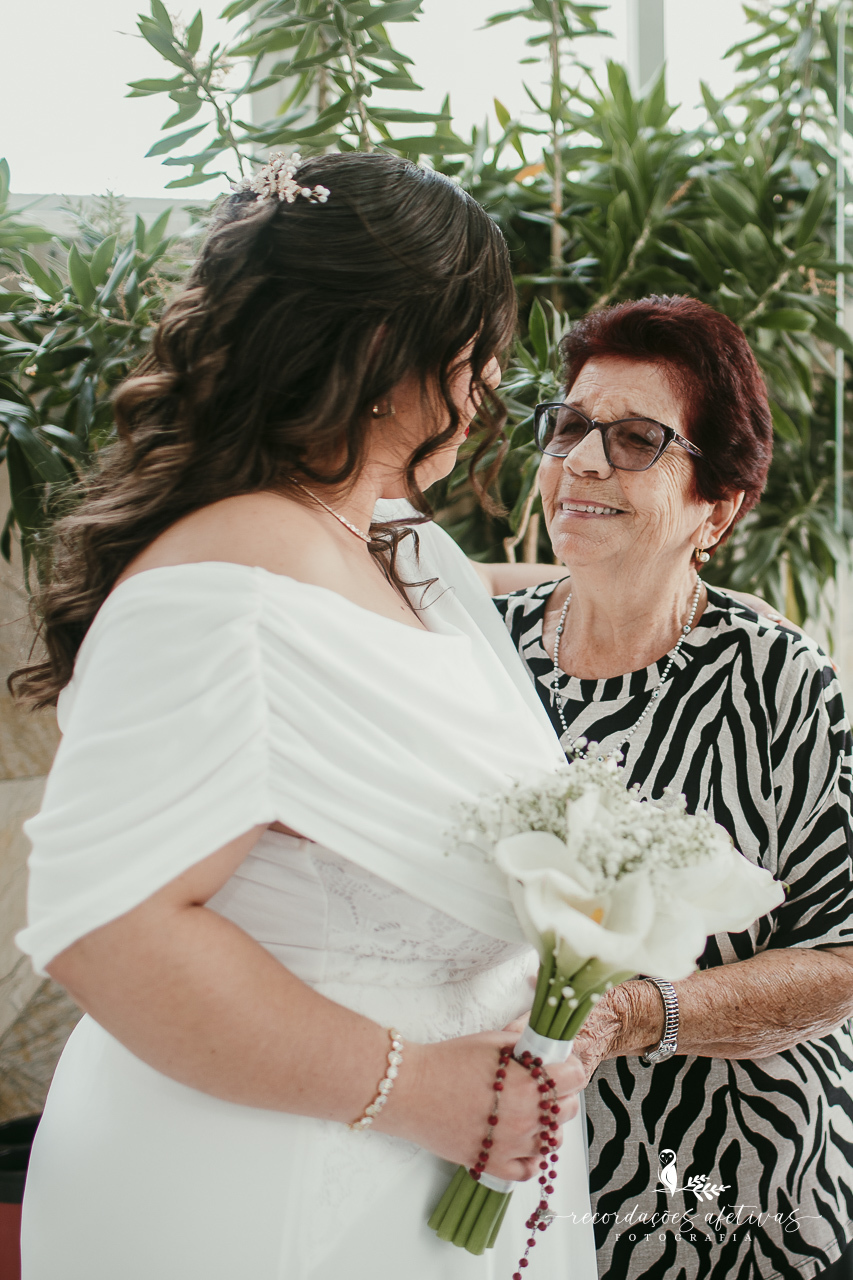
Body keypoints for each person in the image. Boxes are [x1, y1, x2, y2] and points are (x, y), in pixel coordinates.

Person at [13, 153, 597, 1280]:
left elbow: (446, 622)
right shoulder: (228, 588)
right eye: (475, 347)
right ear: (382, 349)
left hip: (422, 1172)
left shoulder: (381, 538)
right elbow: (107, 933)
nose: (487, 386)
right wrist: (421, 1092)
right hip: (270, 1185)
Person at [491, 294, 853, 1280]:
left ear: (716, 508)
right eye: (568, 425)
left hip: (737, 1197)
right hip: (521, 1179)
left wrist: (637, 1013)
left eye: (636, 438)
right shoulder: (486, 652)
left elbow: (843, 954)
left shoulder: (781, 680)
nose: (582, 459)